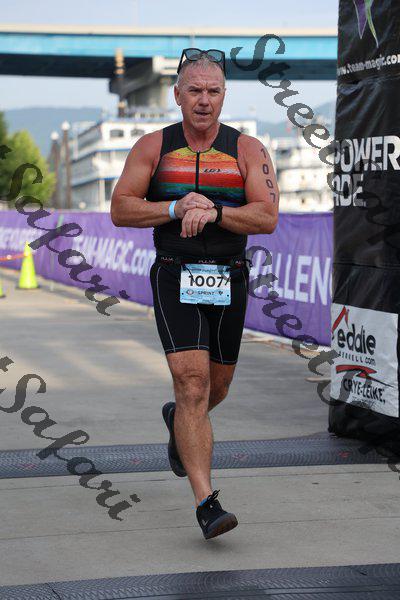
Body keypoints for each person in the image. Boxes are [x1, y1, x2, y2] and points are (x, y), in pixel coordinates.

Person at [111, 48, 279, 540]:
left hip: (229, 275)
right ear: (177, 95)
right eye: (194, 91)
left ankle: (179, 424)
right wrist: (175, 207)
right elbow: (121, 208)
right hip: (174, 274)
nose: (204, 100)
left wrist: (216, 213)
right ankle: (207, 503)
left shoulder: (247, 149)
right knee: (192, 384)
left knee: (214, 389)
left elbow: (267, 217)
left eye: (213, 91)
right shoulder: (153, 147)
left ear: (224, 95)